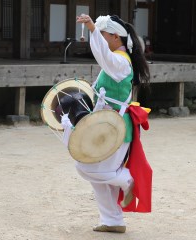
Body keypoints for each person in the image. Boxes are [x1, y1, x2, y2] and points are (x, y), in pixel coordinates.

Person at [75, 14, 152, 233]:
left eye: (102, 35)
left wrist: (91, 27)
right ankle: (112, 220)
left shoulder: (119, 62)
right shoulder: (117, 60)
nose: (99, 39)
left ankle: (128, 180)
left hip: (116, 127)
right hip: (105, 125)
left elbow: (102, 56)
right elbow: (103, 55)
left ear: (115, 37)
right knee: (99, 178)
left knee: (87, 167)